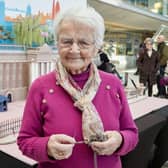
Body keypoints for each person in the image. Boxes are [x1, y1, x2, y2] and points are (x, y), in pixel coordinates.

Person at [17, 7, 138, 168]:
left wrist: (120, 141)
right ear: (57, 44)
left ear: (96, 48)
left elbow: (132, 134)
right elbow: (24, 141)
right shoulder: (41, 87)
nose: (74, 50)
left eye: (83, 43)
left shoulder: (112, 84)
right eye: (67, 41)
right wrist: (47, 147)